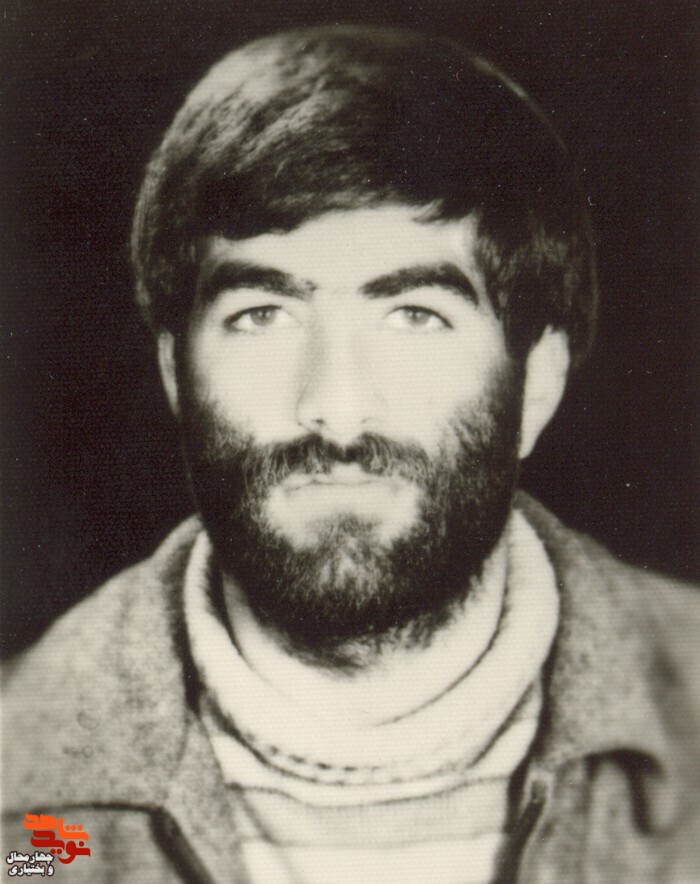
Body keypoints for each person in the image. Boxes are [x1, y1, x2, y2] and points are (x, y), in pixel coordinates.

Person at [3, 24, 699, 884]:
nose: (334, 409)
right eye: (262, 315)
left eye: (414, 317)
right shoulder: (28, 815)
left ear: (538, 383)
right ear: (176, 374)